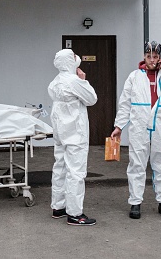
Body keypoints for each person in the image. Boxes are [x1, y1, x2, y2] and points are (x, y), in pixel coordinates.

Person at [111, 41, 161, 219]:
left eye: (155, 57)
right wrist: (118, 126)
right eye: (149, 56)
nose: (152, 60)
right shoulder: (134, 77)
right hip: (139, 126)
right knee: (137, 164)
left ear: (160, 57)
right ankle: (135, 203)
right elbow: (125, 104)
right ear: (144, 56)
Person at [48, 48, 98, 226]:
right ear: (70, 61)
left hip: (60, 131)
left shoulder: (55, 82)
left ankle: (58, 206)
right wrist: (83, 81)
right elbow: (92, 99)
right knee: (76, 171)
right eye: (75, 56)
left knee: (60, 167)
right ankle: (75, 214)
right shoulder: (74, 81)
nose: (78, 57)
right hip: (75, 133)